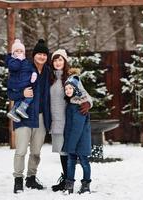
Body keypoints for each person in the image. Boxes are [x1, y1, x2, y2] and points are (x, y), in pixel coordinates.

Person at [6, 39, 51, 193]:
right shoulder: (23, 67)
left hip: (40, 117)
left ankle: (31, 178)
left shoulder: (48, 72)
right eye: (39, 53)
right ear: (34, 55)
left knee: (36, 152)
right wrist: (22, 93)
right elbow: (10, 91)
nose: (42, 57)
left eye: (44, 54)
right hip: (23, 114)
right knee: (21, 151)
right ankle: (18, 180)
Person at [49, 50, 93, 192]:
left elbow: (86, 95)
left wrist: (88, 104)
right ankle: (66, 179)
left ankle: (69, 180)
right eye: (55, 60)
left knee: (69, 151)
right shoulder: (49, 78)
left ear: (65, 61)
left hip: (70, 119)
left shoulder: (71, 78)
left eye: (60, 60)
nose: (58, 62)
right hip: (56, 119)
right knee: (63, 151)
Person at [62, 69, 92, 194]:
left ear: (76, 89)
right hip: (72, 139)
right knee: (70, 162)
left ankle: (86, 184)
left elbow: (78, 127)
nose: (68, 91)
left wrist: (70, 144)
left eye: (70, 88)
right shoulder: (70, 104)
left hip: (80, 140)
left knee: (84, 162)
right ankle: (69, 184)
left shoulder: (80, 105)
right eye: (66, 89)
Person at [6, 39, 38, 122]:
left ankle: (14, 111)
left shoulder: (26, 62)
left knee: (21, 99)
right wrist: (18, 60)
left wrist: (34, 73)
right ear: (13, 53)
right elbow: (14, 67)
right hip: (17, 85)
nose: (19, 53)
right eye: (17, 51)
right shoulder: (12, 61)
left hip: (23, 85)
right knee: (29, 96)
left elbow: (31, 68)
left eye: (21, 51)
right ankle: (21, 108)